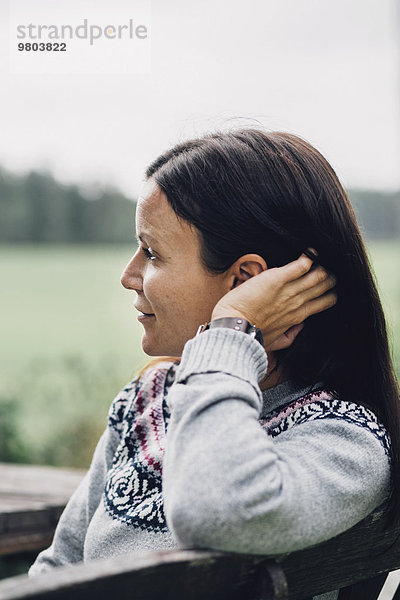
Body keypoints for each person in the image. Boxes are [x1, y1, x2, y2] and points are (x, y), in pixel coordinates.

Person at [29, 130, 399, 600]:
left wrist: (232, 331)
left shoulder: (345, 439)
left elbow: (217, 515)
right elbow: (60, 567)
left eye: (153, 253)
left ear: (243, 279)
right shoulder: (149, 399)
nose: (128, 275)